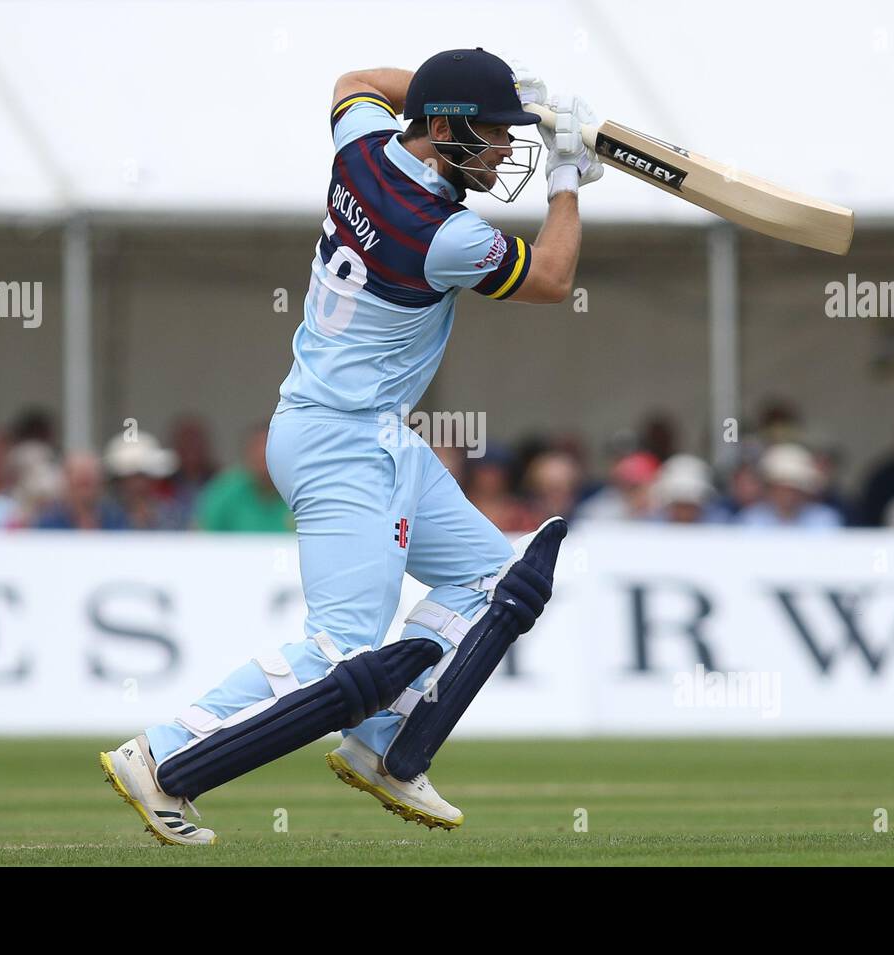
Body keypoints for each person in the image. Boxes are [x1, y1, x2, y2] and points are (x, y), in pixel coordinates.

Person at [100, 49, 600, 844]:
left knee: (493, 578)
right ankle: (162, 755)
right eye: (496, 133)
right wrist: (567, 177)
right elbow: (551, 278)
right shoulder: (444, 234)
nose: (508, 150)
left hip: (365, 430)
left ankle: (384, 743)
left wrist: (500, 99)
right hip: (341, 442)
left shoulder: (361, 150)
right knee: (337, 650)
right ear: (443, 128)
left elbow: (354, 82)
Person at [192, 422, 293, 533]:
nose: (263, 459)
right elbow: (200, 533)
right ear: (247, 454)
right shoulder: (226, 489)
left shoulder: (300, 489)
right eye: (257, 452)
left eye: (270, 452)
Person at [738, 443, 843, 530]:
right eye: (781, 487)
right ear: (770, 488)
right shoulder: (751, 518)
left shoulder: (824, 519)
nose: (787, 494)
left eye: (793, 488)